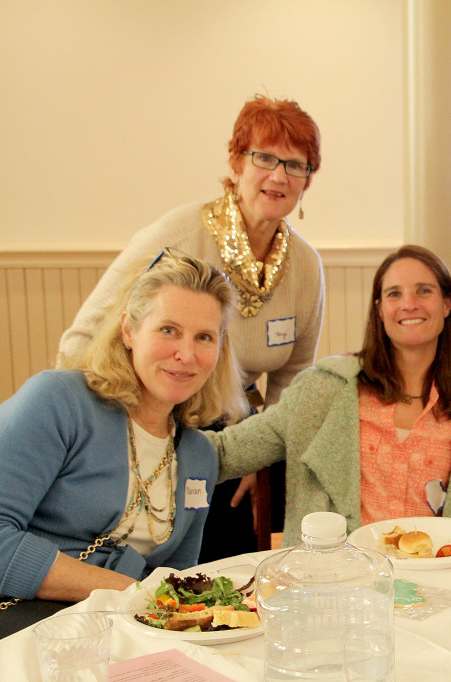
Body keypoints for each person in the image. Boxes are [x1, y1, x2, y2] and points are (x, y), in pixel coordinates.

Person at [58, 94, 325, 560]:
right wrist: (103, 437)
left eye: (296, 165)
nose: (279, 175)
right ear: (236, 163)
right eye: (264, 157)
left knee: (224, 578)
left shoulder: (305, 266)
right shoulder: (179, 234)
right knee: (131, 571)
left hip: (226, 437)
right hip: (141, 420)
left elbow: (293, 378)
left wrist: (260, 448)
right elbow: (82, 340)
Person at [0, 252, 247, 660]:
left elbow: (171, 581)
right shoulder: (57, 402)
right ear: (128, 330)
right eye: (169, 330)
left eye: (204, 337)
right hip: (0, 617)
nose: (186, 354)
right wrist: (130, 592)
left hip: (113, 629)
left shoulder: (198, 456)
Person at [209, 245, 451, 544]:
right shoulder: (323, 390)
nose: (409, 303)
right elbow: (229, 451)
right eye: (394, 294)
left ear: (447, 305)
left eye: (424, 291)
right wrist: (160, 441)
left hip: (436, 582)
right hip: (335, 579)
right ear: (379, 309)